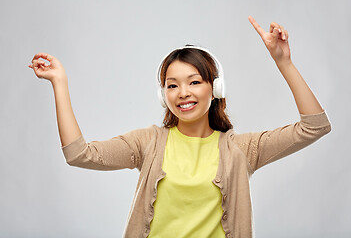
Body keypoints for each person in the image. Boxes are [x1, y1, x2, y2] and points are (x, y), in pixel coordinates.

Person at [29, 16, 331, 238]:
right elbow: (79, 155)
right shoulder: (147, 143)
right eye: (172, 85)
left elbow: (314, 127)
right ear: (163, 95)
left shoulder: (241, 150)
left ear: (216, 89)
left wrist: (284, 62)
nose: (183, 92)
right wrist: (60, 82)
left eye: (194, 82)